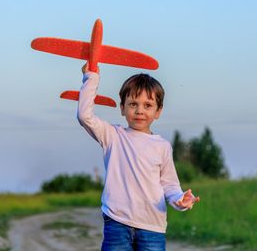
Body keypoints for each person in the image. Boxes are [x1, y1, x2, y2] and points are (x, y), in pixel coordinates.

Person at [77, 62, 200, 251]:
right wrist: (91, 77)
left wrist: (180, 200)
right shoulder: (112, 136)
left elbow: (169, 185)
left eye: (148, 105)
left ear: (158, 111)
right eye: (133, 104)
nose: (140, 110)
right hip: (117, 222)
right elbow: (84, 116)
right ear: (122, 108)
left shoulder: (162, 146)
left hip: (152, 227)